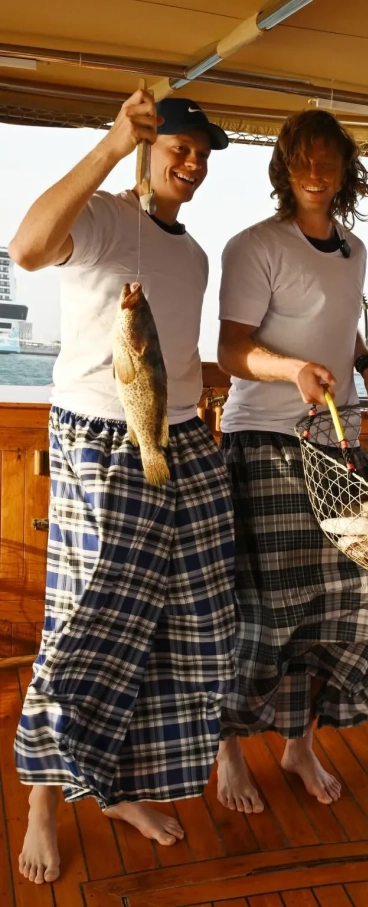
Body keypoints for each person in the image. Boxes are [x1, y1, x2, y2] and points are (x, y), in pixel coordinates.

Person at [9, 91, 236, 884]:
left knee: (186, 621)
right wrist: (110, 146)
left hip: (182, 439)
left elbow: (180, 352)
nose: (192, 162)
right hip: (101, 441)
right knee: (81, 623)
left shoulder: (195, 255)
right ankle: (42, 798)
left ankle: (117, 787)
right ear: (147, 148)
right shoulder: (106, 217)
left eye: (202, 152)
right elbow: (27, 248)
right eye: (179, 146)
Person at [215, 109, 368, 813]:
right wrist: (291, 369)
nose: (316, 172)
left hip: (337, 444)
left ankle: (298, 744)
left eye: (328, 159)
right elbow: (232, 349)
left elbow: (339, 328)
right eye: (303, 158)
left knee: (353, 608)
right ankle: (228, 750)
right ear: (284, 167)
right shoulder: (254, 245)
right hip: (265, 442)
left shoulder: (354, 250)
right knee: (262, 615)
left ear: (346, 170)